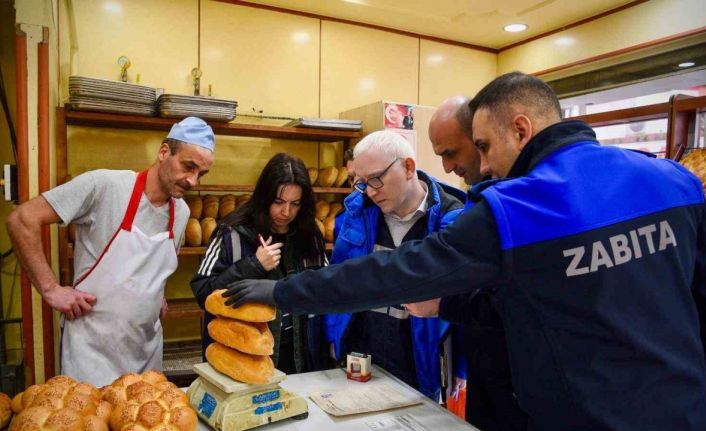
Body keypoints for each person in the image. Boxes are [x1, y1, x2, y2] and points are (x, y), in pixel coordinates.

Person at [224, 72, 706, 430]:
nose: (480, 165)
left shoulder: (516, 208)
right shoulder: (676, 180)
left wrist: (280, 291)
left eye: (483, 145)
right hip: (683, 410)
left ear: (521, 129)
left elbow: (393, 273)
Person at [6, 116, 215, 386]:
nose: (193, 181)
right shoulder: (105, 186)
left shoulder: (181, 213)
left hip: (146, 353)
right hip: (92, 354)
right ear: (164, 152)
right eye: (188, 166)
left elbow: (155, 269)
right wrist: (50, 289)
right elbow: (22, 219)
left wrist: (153, 296)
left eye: (201, 173)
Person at [324, 130, 466, 400]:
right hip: (360, 350)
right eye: (362, 183)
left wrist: (462, 364)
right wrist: (334, 333)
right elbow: (337, 278)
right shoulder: (355, 214)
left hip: (418, 358)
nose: (371, 192)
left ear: (408, 167)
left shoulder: (453, 220)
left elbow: (465, 297)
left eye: (377, 179)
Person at [429, 96, 526, 431]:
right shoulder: (476, 202)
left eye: (451, 153)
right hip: (485, 375)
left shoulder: (521, 207)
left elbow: (514, 302)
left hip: (522, 383)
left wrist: (444, 303)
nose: (445, 167)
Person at [190, 153, 328, 374]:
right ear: (264, 197)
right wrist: (252, 266)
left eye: (295, 204)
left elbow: (325, 288)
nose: (286, 212)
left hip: (300, 358)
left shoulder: (309, 235)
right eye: (279, 202)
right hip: (243, 358)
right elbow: (203, 291)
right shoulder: (232, 233)